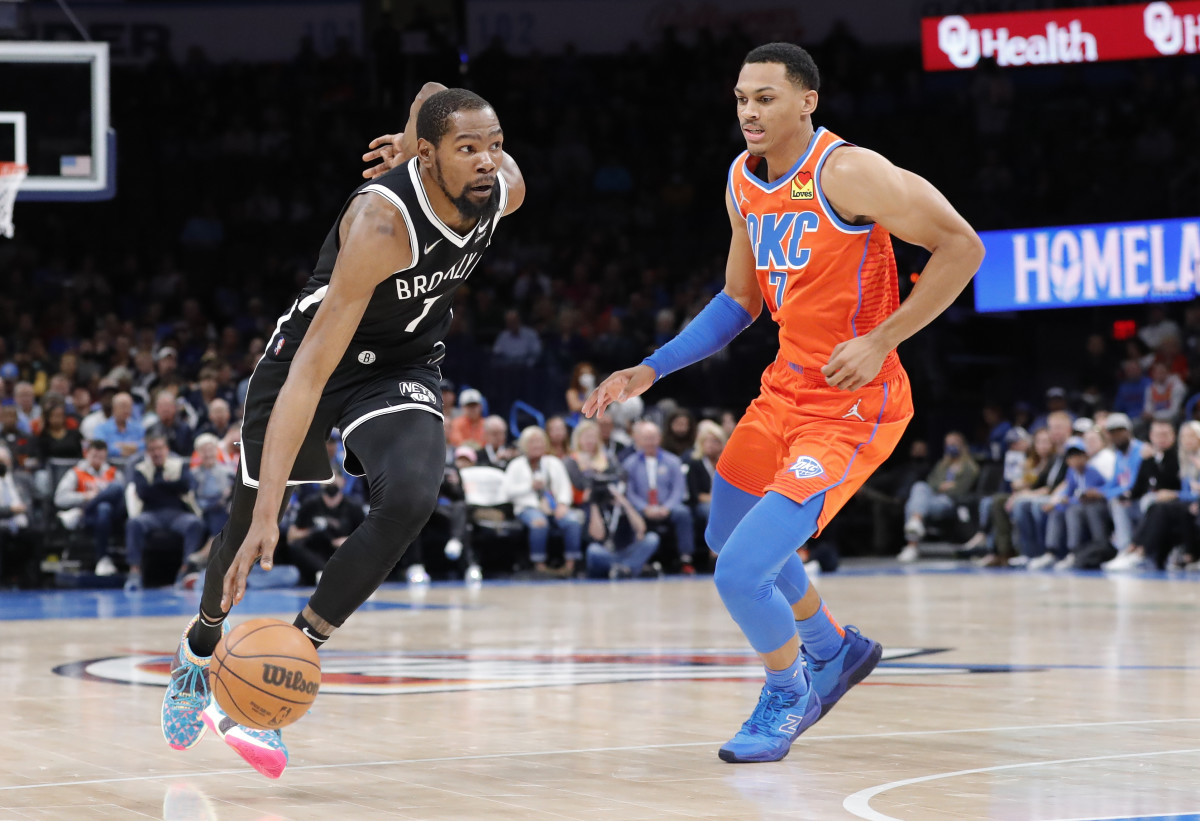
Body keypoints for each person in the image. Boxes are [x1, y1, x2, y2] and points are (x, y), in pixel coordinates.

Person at [584, 42, 982, 763]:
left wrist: (882, 340)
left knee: (740, 573)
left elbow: (962, 247)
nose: (749, 111)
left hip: (854, 405)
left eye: (765, 97)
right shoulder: (741, 179)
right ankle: (834, 646)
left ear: (807, 101)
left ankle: (788, 689)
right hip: (784, 392)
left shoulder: (848, 171)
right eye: (741, 98)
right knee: (723, 535)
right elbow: (739, 300)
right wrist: (651, 368)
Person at [160, 83, 525, 778]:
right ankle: (199, 651)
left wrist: (413, 134)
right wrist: (271, 511)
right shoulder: (381, 224)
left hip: (399, 364)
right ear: (430, 156)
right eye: (467, 148)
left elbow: (433, 92)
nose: (487, 160)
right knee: (244, 530)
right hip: (312, 360)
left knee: (412, 497)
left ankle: (281, 666)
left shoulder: (503, 188)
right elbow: (308, 373)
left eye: (495, 145)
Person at [53, 439, 125, 576]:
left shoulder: (113, 473)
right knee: (103, 507)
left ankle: (103, 558)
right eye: (94, 456)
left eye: (101, 457)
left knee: (116, 488)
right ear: (86, 454)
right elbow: (59, 498)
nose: (97, 460)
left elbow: (123, 498)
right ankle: (103, 559)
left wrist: (96, 497)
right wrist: (85, 496)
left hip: (114, 517)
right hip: (89, 517)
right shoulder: (76, 472)